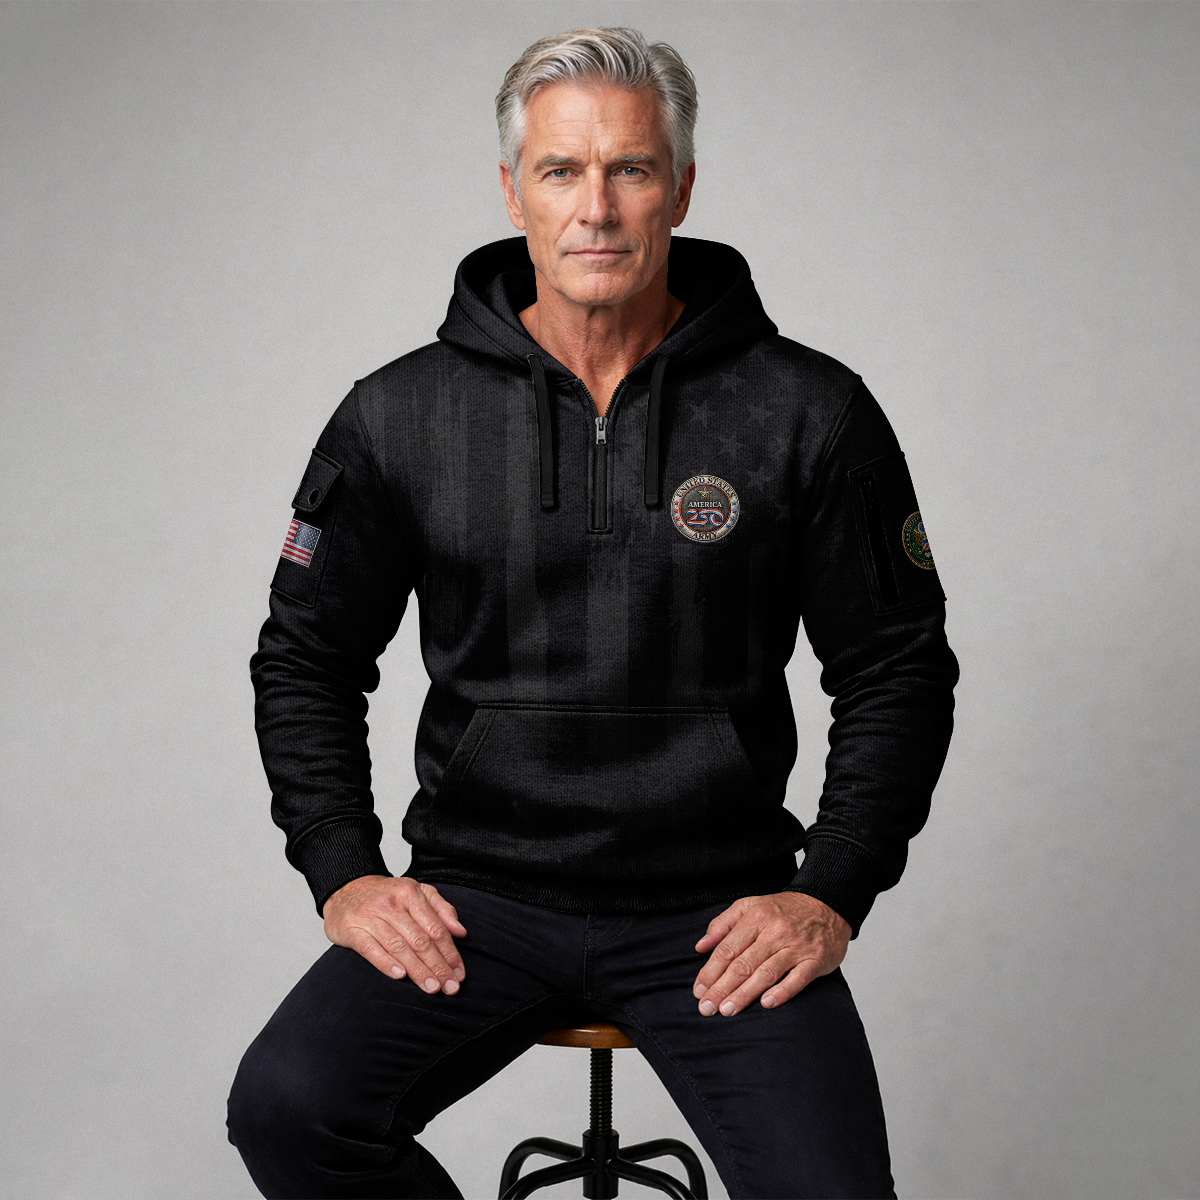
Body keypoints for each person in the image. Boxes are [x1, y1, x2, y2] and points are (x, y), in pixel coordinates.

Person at [227, 26, 958, 1200]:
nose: (598, 208)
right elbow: (305, 656)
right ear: (513, 191)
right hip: (479, 902)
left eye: (631, 169)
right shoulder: (399, 416)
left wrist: (830, 891)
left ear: (682, 188)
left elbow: (896, 665)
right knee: (289, 1107)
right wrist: (344, 870)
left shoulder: (810, 412)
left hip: (716, 915)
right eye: (562, 170)